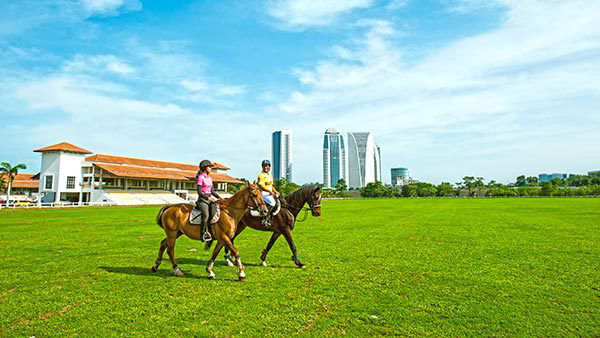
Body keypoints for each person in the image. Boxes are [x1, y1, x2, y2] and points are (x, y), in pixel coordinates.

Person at [195, 160, 221, 242]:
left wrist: (219, 197)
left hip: (210, 199)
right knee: (205, 215)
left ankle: (211, 230)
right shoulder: (200, 177)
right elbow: (199, 192)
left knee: (215, 212)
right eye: (209, 167)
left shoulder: (210, 178)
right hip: (202, 200)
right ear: (204, 168)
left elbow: (212, 191)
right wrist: (209, 198)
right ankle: (203, 234)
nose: (211, 168)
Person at [257, 160, 279, 226]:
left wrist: (275, 191)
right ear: (262, 167)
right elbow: (261, 186)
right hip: (263, 193)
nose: (266, 167)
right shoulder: (261, 175)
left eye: (267, 166)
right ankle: (265, 218)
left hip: (270, 193)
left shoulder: (269, 175)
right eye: (264, 166)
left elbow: (271, 186)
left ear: (269, 167)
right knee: (272, 203)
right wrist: (270, 191)